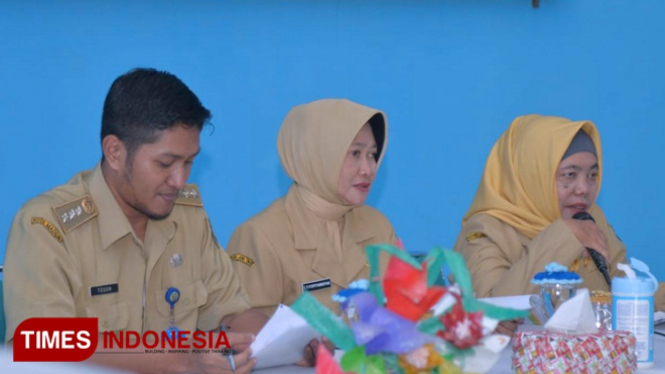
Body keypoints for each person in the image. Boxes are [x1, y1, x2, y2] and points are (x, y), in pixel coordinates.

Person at [3, 68, 276, 374]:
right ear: (115, 152)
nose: (179, 180)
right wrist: (175, 358)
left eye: (189, 162)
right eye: (165, 163)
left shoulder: (186, 215)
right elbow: (39, 344)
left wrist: (283, 341)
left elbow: (232, 313)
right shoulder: (46, 227)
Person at [454, 114, 665, 312]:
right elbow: (494, 313)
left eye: (592, 175)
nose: (583, 188)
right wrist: (564, 235)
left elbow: (624, 296)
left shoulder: (591, 219)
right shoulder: (485, 232)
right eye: (570, 175)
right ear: (532, 176)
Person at [227, 98, 396, 316]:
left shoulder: (378, 227)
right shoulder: (259, 236)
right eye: (355, 153)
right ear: (317, 155)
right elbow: (247, 338)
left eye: (372, 155)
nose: (368, 169)